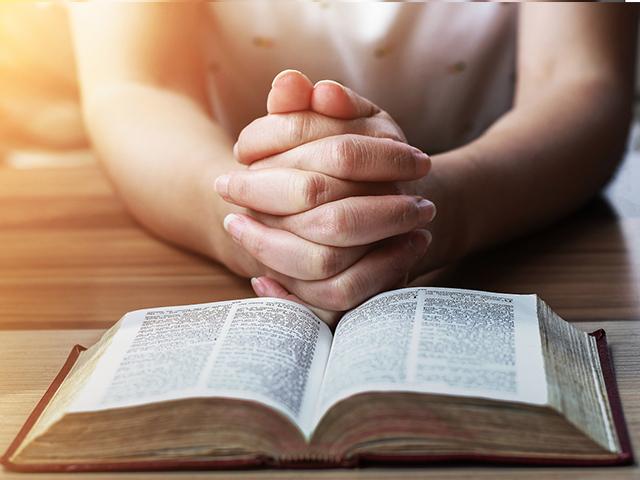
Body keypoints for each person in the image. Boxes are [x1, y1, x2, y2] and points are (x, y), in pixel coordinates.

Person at [69, 2, 636, 325]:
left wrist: (432, 210)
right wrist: (245, 220)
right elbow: (135, 87)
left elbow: (579, 80)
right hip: (214, 204)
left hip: (509, 212)